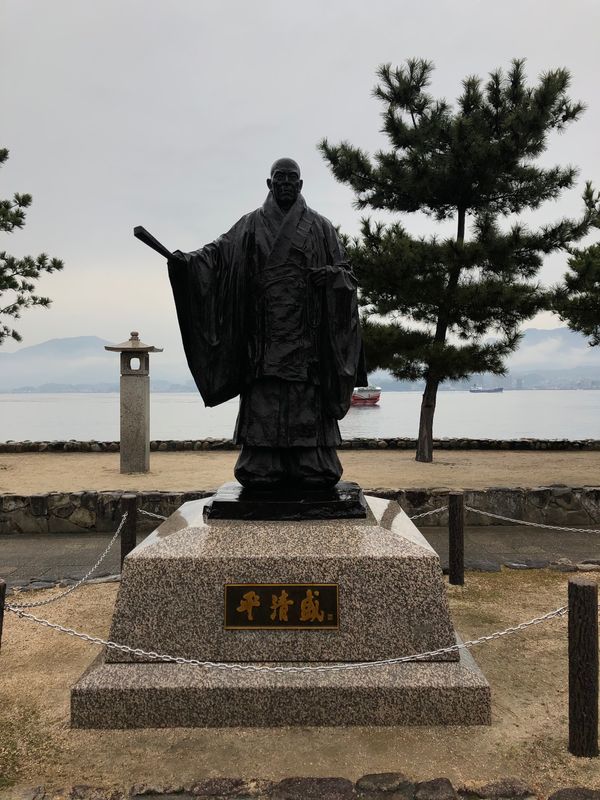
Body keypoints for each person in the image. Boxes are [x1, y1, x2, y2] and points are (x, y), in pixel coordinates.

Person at [168, 158, 366, 489]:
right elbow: (217, 255)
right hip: (263, 336)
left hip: (306, 338)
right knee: (265, 399)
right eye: (279, 178)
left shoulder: (321, 227)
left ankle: (311, 461)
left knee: (305, 402)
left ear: (301, 185)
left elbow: (347, 275)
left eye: (292, 178)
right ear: (269, 183)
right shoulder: (249, 225)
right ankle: (262, 462)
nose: (286, 183)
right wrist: (187, 263)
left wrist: (330, 277)